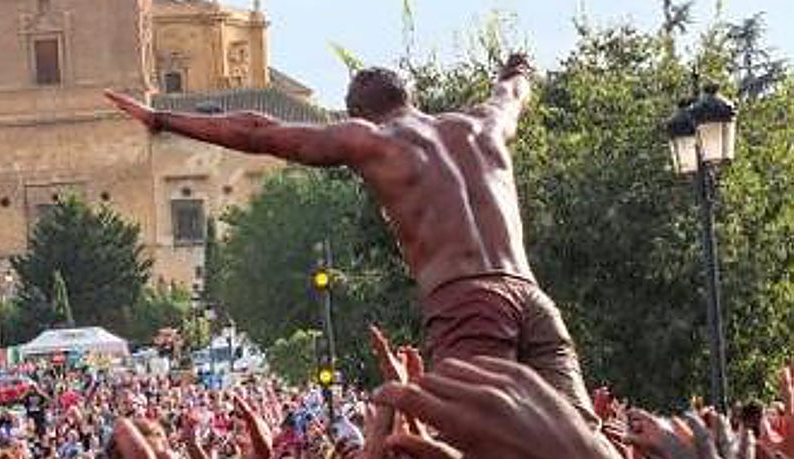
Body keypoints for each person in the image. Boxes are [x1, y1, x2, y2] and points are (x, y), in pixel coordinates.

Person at [106, 57, 594, 418]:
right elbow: (512, 94)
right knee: (582, 443)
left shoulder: (372, 139)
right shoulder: (480, 124)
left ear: (358, 112)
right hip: (530, 295)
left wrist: (161, 120)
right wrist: (516, 72)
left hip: (469, 300)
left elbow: (257, 131)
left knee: (480, 449)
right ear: (410, 96)